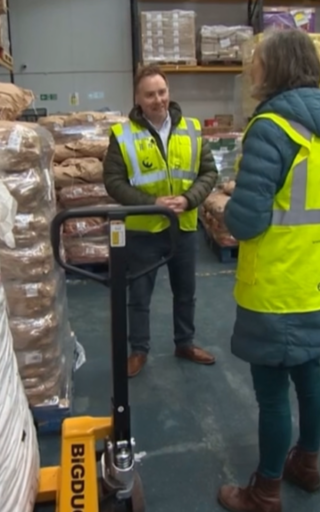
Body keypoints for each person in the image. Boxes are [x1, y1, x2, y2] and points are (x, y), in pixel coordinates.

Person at [217, 29, 320, 512]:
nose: (252, 69)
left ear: (276, 68)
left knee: (272, 394)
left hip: (277, 287)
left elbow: (249, 223)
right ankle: (306, 465)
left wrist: (228, 204)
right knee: (310, 376)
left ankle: (265, 491)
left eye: (257, 61)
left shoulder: (272, 128)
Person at [103, 64, 219, 378]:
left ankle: (185, 342)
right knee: (139, 294)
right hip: (144, 229)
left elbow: (209, 172)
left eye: (162, 92)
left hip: (183, 228)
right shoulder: (123, 135)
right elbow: (113, 181)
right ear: (137, 99)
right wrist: (151, 204)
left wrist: (189, 199)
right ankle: (138, 350)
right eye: (150, 94)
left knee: (186, 291)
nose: (158, 99)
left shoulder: (192, 129)